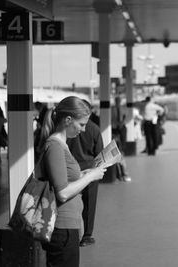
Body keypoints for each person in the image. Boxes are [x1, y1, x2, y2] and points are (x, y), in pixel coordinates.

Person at [37, 96, 106, 267]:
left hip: (67, 227)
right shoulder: (55, 146)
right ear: (68, 120)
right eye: (81, 124)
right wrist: (90, 177)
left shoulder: (62, 144)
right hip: (62, 228)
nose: (83, 130)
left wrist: (84, 173)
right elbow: (62, 192)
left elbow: (63, 178)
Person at [66, 100, 104, 247]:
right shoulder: (94, 129)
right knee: (89, 203)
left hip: (71, 169)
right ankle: (86, 235)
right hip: (90, 170)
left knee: (70, 203)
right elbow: (99, 153)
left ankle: (73, 233)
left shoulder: (68, 129)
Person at [111, 96, 131, 182]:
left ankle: (123, 174)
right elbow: (110, 119)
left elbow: (127, 118)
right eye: (116, 100)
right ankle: (122, 174)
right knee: (117, 153)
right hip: (114, 130)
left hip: (121, 130)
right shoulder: (111, 109)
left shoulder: (124, 109)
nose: (117, 102)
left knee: (121, 152)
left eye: (119, 100)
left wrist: (122, 123)